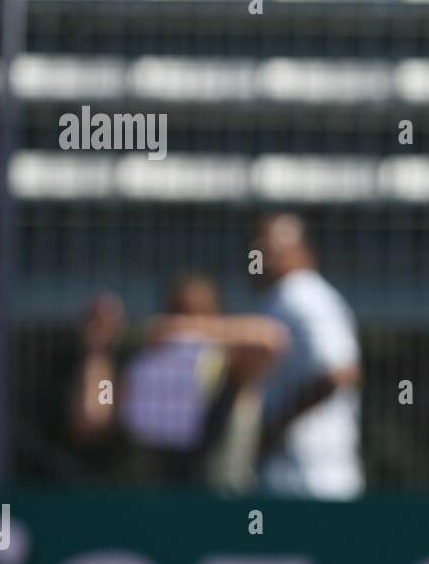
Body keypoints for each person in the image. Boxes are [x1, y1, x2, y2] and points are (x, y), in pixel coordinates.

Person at [118, 274, 286, 488]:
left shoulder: (232, 364)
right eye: (180, 311)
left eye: (200, 313)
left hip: (219, 496)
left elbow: (272, 339)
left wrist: (186, 329)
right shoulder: (145, 365)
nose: (188, 323)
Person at [252, 213, 365, 500]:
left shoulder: (305, 295)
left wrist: (276, 424)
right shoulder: (280, 298)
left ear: (300, 250)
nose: (258, 257)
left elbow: (340, 371)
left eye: (269, 249)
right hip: (290, 468)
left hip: (316, 473)